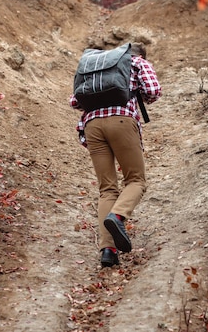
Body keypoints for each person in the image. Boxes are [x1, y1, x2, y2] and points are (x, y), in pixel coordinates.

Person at [69, 43, 162, 267]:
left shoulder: (95, 65)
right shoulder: (137, 62)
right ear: (141, 55)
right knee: (136, 180)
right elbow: (153, 91)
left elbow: (74, 101)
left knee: (107, 189)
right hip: (121, 121)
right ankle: (118, 216)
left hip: (92, 126)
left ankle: (108, 252)